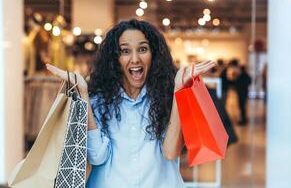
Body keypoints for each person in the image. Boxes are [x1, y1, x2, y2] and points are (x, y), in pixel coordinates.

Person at [46, 19, 216, 188]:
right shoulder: (97, 100)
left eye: (142, 49)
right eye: (125, 51)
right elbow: (97, 156)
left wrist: (179, 89)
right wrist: (83, 94)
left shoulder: (166, 98)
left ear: (154, 54)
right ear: (115, 58)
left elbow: (171, 152)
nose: (135, 59)